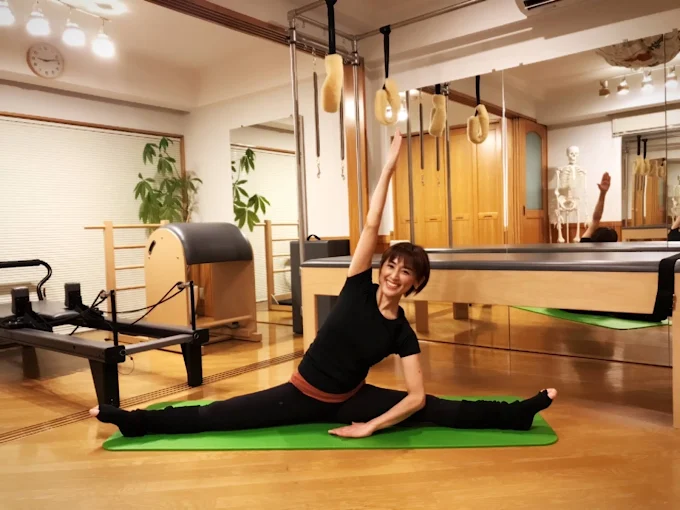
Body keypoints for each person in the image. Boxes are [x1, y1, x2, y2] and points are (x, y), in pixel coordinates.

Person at [90, 130, 556, 439]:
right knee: (220, 414)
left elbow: (415, 396)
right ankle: (135, 421)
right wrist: (389, 168)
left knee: (434, 407)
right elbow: (371, 223)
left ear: (415, 284)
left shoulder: (401, 332)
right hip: (298, 394)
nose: (393, 274)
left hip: (349, 402)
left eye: (405, 272)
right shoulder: (356, 285)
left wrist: (370, 426)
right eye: (391, 265)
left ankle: (515, 414)